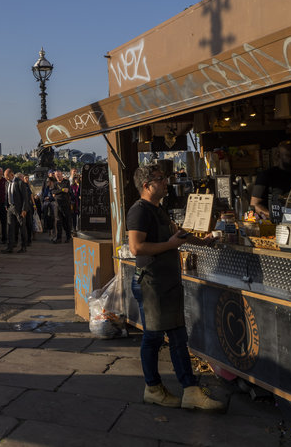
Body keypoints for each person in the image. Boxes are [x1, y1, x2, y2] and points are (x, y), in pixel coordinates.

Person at [127, 164, 222, 411]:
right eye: (161, 179)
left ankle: (189, 390)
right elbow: (136, 248)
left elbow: (176, 233)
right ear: (147, 185)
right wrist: (170, 245)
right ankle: (153, 388)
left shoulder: (158, 209)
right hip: (152, 284)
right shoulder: (139, 211)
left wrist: (202, 241)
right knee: (153, 338)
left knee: (178, 336)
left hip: (166, 284)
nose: (166, 182)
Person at [250, 140, 291, 222]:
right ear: (278, 155)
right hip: (274, 224)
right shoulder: (266, 175)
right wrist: (274, 216)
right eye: (289, 155)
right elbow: (255, 204)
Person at [2, 168, 30, 253]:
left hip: (19, 208)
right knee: (10, 227)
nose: (6, 178)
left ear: (12, 174)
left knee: (22, 227)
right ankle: (10, 246)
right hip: (10, 207)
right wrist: (6, 205)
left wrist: (24, 209)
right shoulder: (7, 183)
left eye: (7, 176)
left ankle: (23, 246)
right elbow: (7, 195)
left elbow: (25, 197)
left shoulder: (20, 182)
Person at [52, 170, 73, 243]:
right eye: (56, 175)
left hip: (65, 204)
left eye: (59, 175)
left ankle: (68, 237)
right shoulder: (55, 183)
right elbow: (53, 192)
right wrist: (62, 190)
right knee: (58, 221)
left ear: (61, 175)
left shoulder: (66, 182)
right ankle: (58, 238)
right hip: (57, 204)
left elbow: (67, 190)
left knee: (66, 222)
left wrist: (58, 191)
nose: (57, 176)